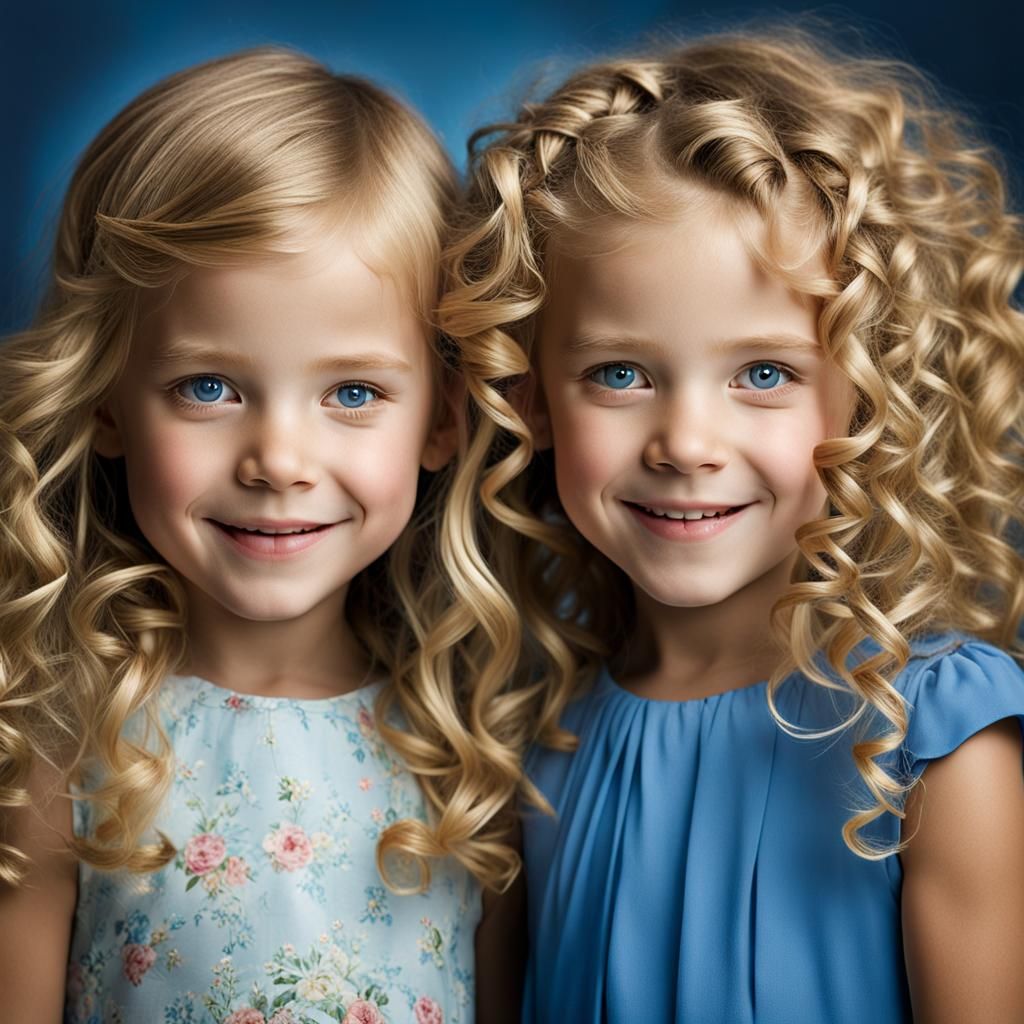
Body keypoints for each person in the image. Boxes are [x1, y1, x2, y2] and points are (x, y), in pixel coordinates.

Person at [435, 26, 1024, 1022]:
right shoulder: (534, 745)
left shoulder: (934, 739)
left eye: (763, 373)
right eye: (618, 373)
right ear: (532, 399)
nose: (686, 443)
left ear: (864, 397)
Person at [0, 48, 497, 1024]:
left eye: (353, 392)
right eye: (209, 388)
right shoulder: (65, 747)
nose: (278, 458)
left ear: (443, 418)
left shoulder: (474, 754)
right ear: (106, 400)